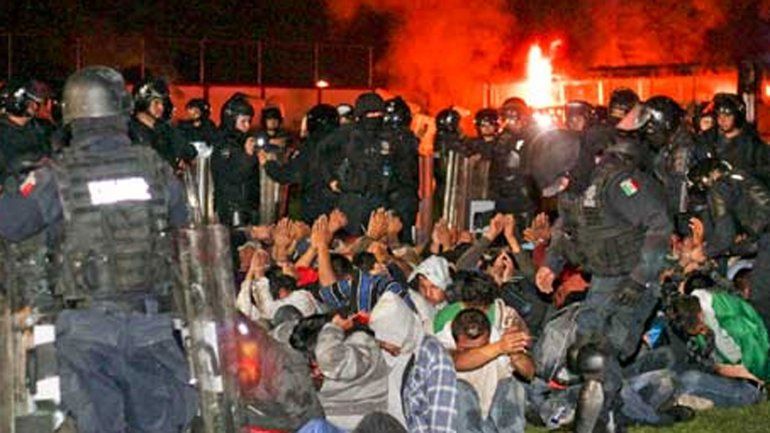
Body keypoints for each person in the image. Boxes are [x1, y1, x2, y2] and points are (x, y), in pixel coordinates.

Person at [0, 66, 197, 433]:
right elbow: (183, 224)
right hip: (151, 325)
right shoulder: (154, 167)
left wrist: (16, 185)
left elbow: (11, 224)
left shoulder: (57, 173)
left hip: (87, 334)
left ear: (71, 112)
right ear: (122, 108)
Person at [530, 128, 673, 433]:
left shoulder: (617, 182)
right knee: (584, 350)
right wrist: (550, 266)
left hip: (639, 276)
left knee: (601, 354)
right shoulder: (573, 191)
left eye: (562, 180)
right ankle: (612, 416)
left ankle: (599, 422)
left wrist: (639, 280)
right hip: (604, 277)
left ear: (575, 165)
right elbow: (565, 231)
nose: (561, 187)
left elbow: (659, 226)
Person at [687, 158, 770, 331]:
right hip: (764, 239)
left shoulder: (719, 188)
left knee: (759, 298)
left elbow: (725, 235)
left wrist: (704, 252)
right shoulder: (743, 175)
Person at [368, 291, 459, 432]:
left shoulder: (434, 358)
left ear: (401, 332)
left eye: (387, 341)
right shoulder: (388, 350)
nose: (384, 347)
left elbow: (442, 420)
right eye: (381, 342)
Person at [290, 313, 389, 430]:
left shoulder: (359, 346)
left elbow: (329, 357)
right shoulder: (329, 362)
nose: (313, 371)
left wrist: (334, 328)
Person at [260, 103, 340, 223]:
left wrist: (267, 164)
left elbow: (287, 174)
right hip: (340, 212)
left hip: (315, 208)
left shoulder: (311, 148)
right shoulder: (344, 144)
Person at [211, 92, 260, 226]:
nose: (247, 126)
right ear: (231, 120)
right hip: (232, 210)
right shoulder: (224, 145)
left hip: (247, 207)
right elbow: (233, 176)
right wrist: (248, 156)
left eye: (249, 121)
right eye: (243, 121)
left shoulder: (240, 142)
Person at [712, 93, 770, 187]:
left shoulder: (754, 146)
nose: (722, 120)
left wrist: (737, 173)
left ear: (738, 117)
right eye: (719, 115)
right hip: (715, 194)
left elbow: (765, 172)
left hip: (743, 193)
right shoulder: (709, 141)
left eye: (728, 115)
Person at [383, 96, 420, 243]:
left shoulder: (380, 138)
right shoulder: (408, 139)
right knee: (404, 238)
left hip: (389, 194)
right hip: (404, 194)